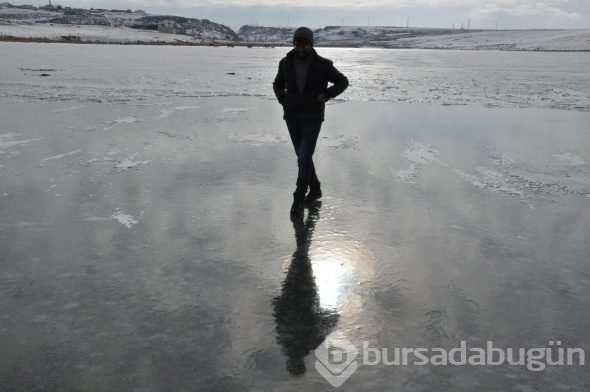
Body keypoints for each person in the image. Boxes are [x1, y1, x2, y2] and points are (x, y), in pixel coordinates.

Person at [273, 27, 349, 215]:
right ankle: (315, 189)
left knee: (304, 156)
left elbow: (342, 81)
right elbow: (277, 84)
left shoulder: (323, 65)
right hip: (292, 117)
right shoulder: (285, 63)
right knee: (302, 156)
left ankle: (299, 196)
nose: (300, 48)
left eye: (304, 45)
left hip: (313, 117)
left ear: (311, 45)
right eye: (297, 44)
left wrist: (327, 94)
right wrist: (283, 100)